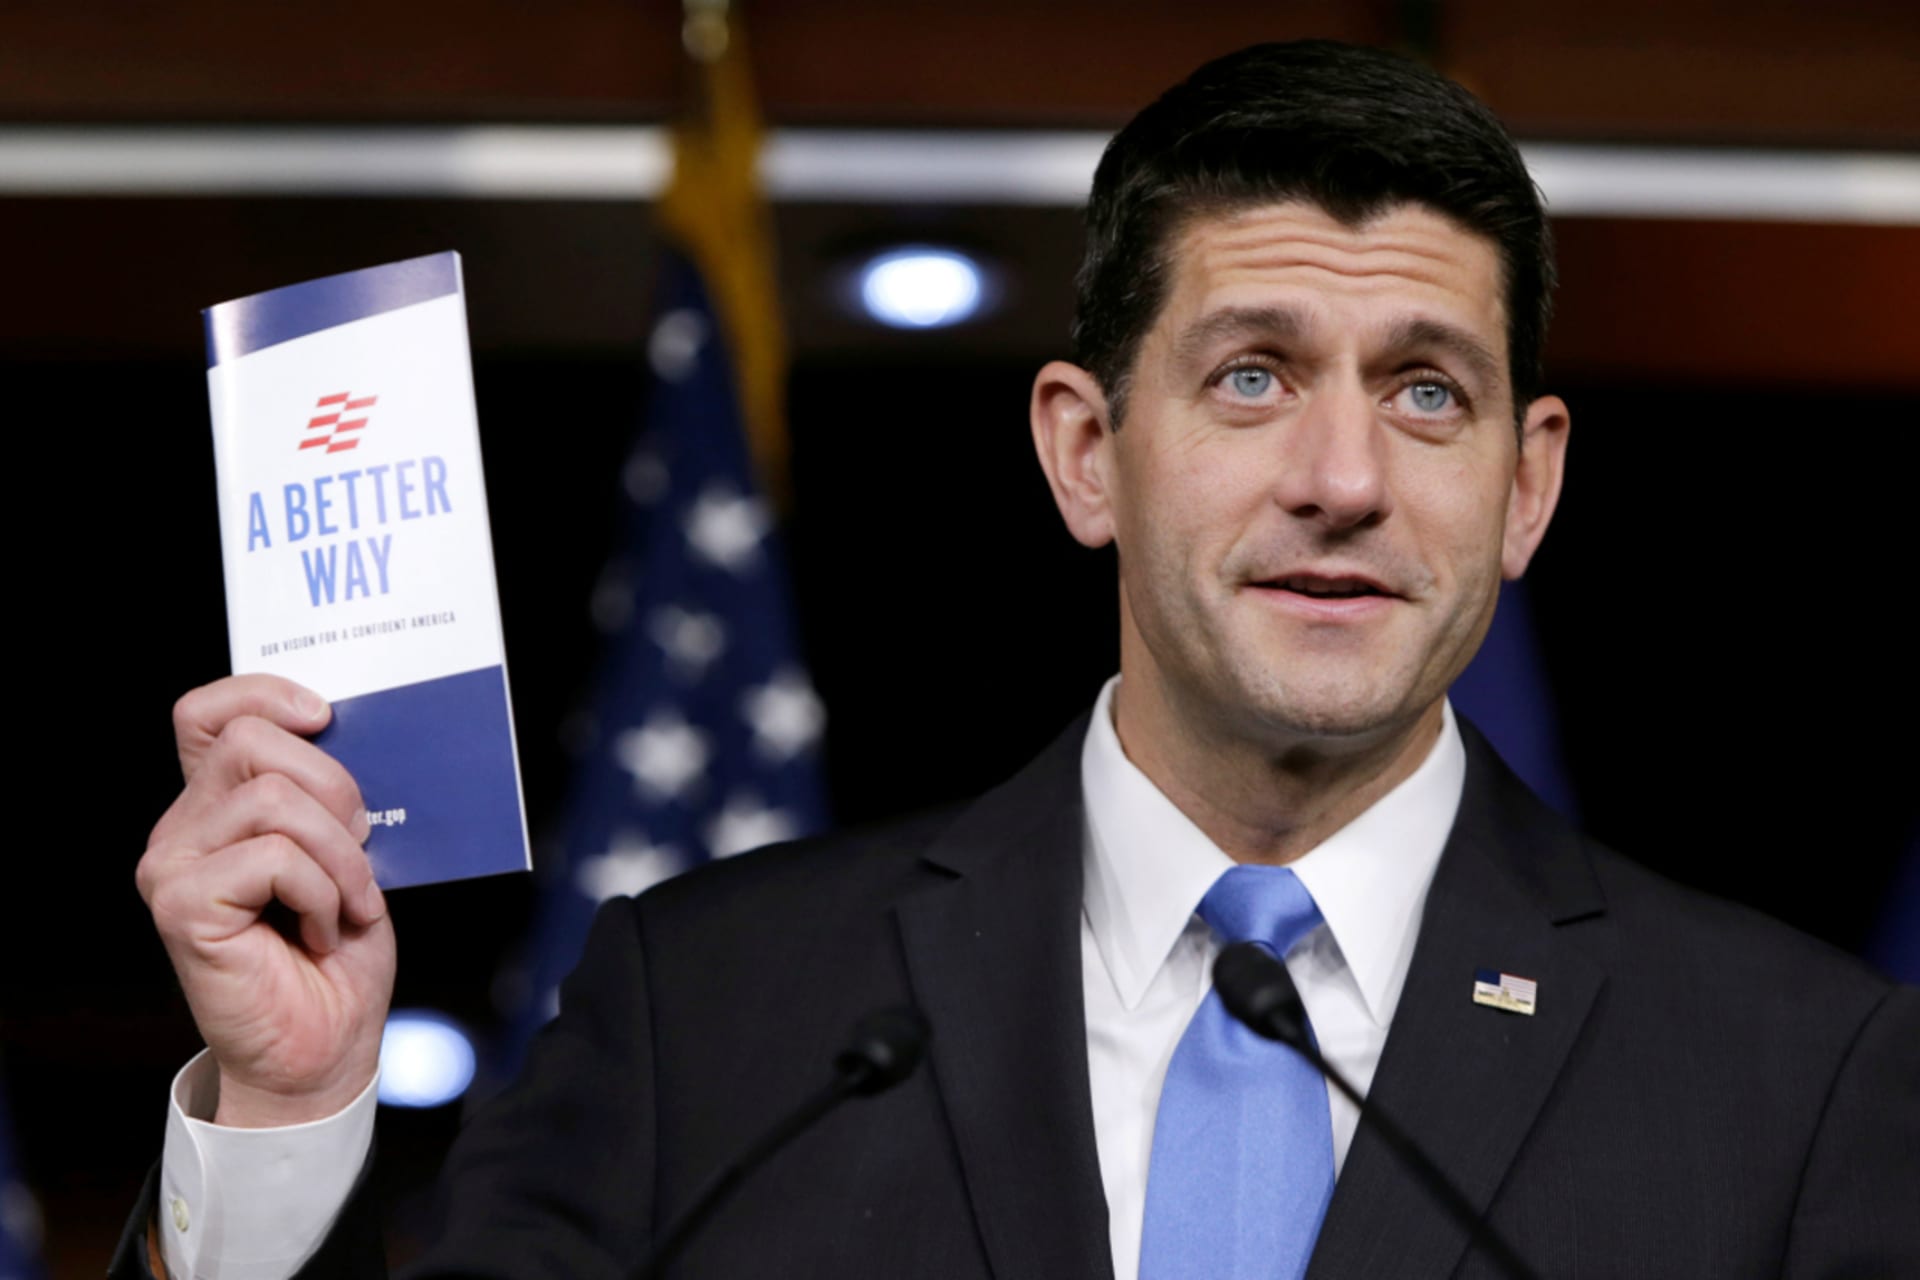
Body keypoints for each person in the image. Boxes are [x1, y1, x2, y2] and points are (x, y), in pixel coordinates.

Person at [120, 39, 1918, 1280]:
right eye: (1252, 375)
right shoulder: (714, 1021)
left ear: (1527, 487)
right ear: (1082, 452)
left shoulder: (1796, 1078)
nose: (1345, 478)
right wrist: (286, 1113)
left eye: (1428, 393)